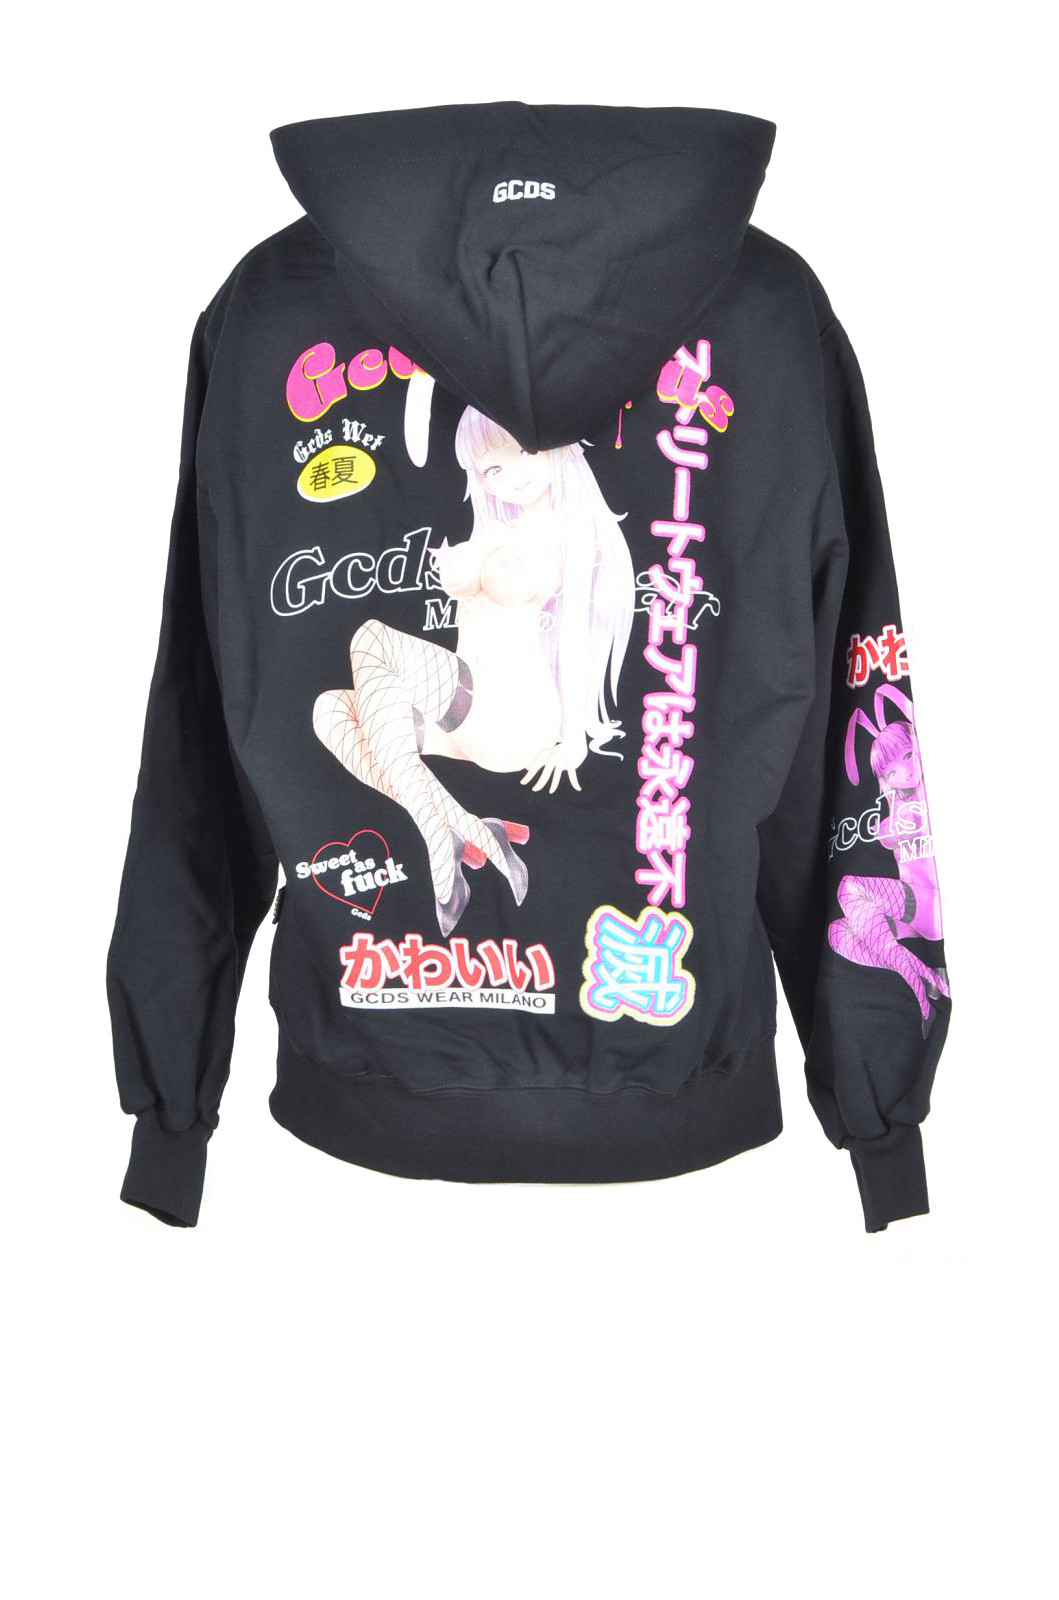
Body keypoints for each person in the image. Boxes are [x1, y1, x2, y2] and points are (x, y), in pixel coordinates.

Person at [313, 406, 635, 933]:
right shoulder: (499, 526)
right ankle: (471, 827)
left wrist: (574, 736)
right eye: (492, 469)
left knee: (371, 639)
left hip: (512, 712)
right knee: (330, 711)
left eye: (523, 452)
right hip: (464, 715)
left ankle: (440, 840)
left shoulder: (569, 531)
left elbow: (578, 628)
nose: (510, 476)